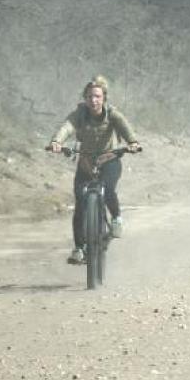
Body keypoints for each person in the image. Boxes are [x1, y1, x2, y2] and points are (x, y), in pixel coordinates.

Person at [49, 75, 141, 264]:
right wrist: (57, 141)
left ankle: (116, 218)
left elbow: (126, 129)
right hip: (86, 162)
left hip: (109, 159)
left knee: (108, 189)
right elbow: (67, 127)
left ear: (104, 98)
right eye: (90, 96)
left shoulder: (112, 113)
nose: (94, 100)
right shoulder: (80, 114)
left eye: (98, 96)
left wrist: (132, 142)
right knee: (80, 203)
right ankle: (79, 248)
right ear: (85, 98)